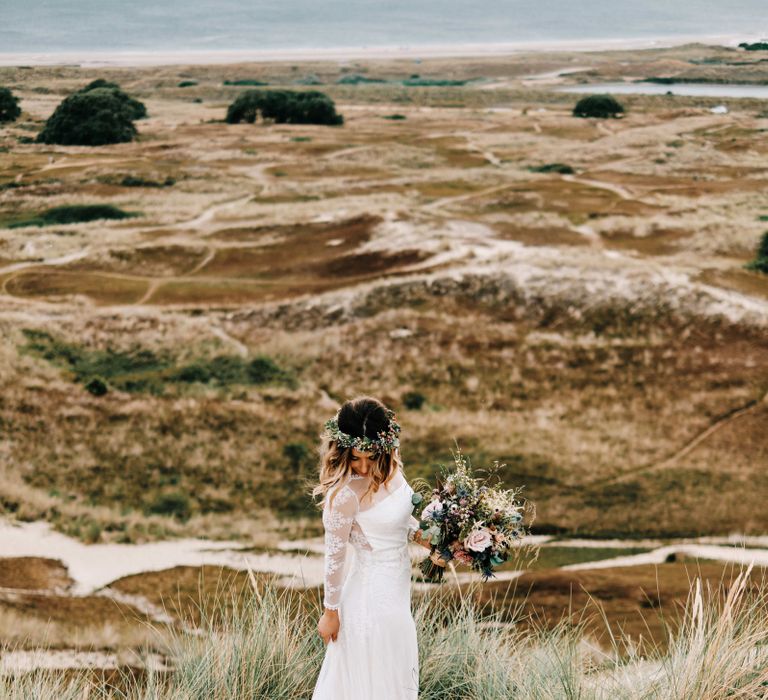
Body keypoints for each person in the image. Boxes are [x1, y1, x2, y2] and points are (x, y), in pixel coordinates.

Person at [310, 396, 442, 700]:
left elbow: (399, 522)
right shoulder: (344, 496)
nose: (364, 466)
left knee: (395, 673)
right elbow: (334, 558)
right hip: (368, 600)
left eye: (372, 457)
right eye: (356, 458)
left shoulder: (393, 473)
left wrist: (433, 541)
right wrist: (330, 612)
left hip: (397, 595)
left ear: (386, 449)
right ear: (342, 452)